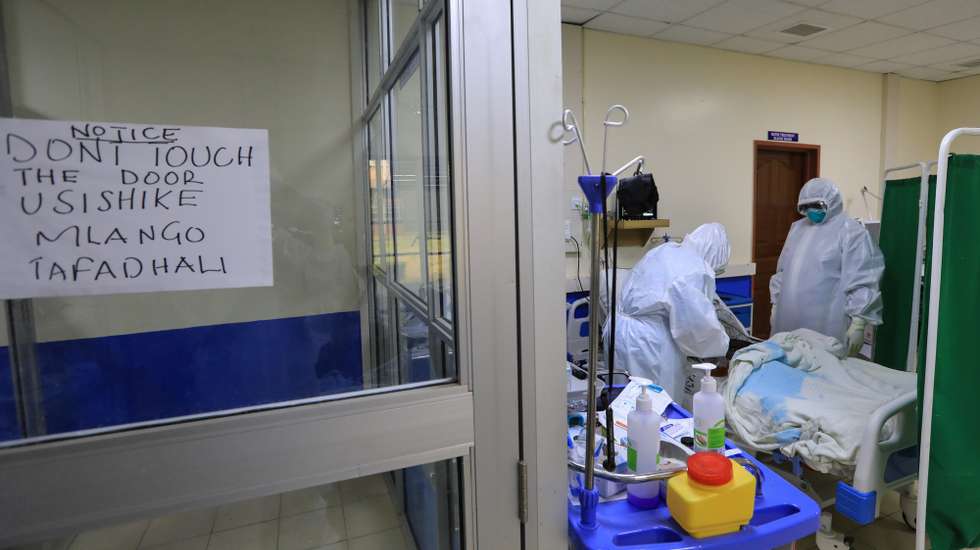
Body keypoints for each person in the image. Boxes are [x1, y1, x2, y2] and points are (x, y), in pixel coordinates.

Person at [604, 223, 731, 402]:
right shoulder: (694, 269)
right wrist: (721, 346)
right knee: (655, 405)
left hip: (619, 330)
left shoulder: (665, 250)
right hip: (648, 344)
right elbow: (696, 327)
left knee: (621, 400)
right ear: (714, 257)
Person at [770, 177, 884, 356]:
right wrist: (776, 304)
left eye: (817, 205)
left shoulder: (850, 231)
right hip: (788, 318)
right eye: (806, 207)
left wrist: (859, 322)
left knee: (822, 369)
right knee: (788, 362)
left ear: (832, 202)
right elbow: (784, 270)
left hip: (826, 324)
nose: (811, 211)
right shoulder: (798, 229)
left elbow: (863, 278)